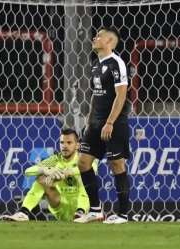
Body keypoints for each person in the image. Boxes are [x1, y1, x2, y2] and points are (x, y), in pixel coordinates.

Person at [73, 27, 131, 224]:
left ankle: (122, 215)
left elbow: (121, 95)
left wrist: (109, 122)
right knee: (83, 163)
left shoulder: (117, 64)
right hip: (96, 124)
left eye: (99, 36)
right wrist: (89, 123)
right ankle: (96, 210)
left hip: (114, 124)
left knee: (117, 165)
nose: (94, 38)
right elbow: (95, 96)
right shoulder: (95, 64)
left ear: (109, 41)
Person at [4, 128, 98, 222]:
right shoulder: (55, 160)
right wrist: (46, 170)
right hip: (61, 205)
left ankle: (80, 211)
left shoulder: (82, 159)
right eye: (62, 143)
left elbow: (93, 168)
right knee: (41, 180)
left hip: (85, 208)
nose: (65, 146)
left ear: (77, 145)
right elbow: (28, 172)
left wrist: (67, 172)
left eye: (69, 143)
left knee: (84, 178)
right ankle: (23, 213)